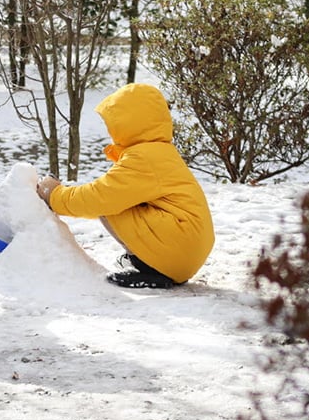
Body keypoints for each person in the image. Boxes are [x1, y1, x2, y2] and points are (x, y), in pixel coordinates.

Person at [35, 83, 214, 289]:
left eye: (113, 121)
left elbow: (99, 197)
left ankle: (153, 268)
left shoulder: (144, 158)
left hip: (178, 248)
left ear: (131, 121)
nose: (110, 129)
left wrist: (54, 194)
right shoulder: (159, 151)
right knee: (113, 200)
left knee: (109, 205)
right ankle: (155, 262)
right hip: (186, 248)